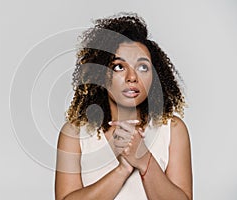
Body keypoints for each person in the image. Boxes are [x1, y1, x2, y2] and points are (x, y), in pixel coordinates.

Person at [55, 13, 192, 200]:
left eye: (143, 67)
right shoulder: (74, 133)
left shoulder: (172, 129)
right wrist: (123, 169)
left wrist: (144, 160)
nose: (132, 77)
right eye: (119, 67)